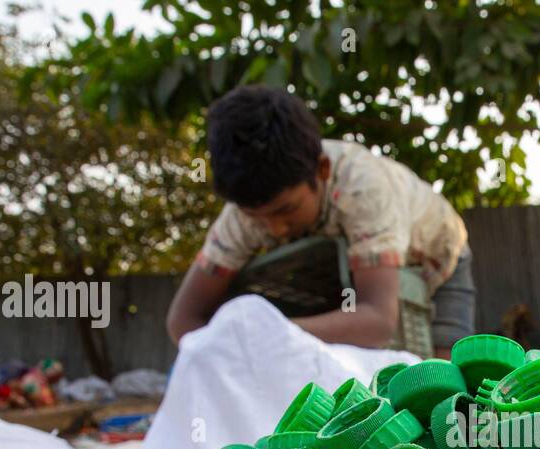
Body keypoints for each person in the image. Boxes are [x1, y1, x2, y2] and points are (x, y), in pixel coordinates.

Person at [166, 86, 475, 358]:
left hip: (439, 255)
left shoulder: (363, 188)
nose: (274, 228)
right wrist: (229, 350)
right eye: (256, 218)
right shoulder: (241, 214)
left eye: (285, 210)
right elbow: (183, 321)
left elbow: (378, 322)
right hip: (352, 274)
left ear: (322, 170)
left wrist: (270, 335)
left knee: (442, 381)